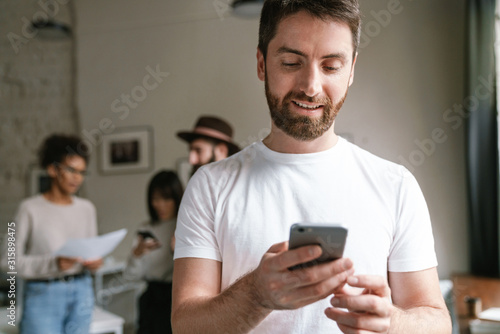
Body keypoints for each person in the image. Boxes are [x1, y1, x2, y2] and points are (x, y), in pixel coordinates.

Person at [171, 1, 452, 333]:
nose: (311, 86)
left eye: (331, 66)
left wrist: (393, 324)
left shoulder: (396, 186)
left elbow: (436, 321)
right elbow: (185, 325)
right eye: (291, 62)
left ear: (351, 71)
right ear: (262, 63)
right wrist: (257, 295)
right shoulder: (210, 185)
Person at [0, 134, 102, 334]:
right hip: (42, 295)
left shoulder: (87, 209)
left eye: (82, 172)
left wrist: (95, 263)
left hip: (82, 292)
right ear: (52, 169)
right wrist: (52, 263)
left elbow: (92, 251)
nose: (77, 178)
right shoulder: (28, 209)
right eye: (71, 170)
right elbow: (7, 260)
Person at [124, 170, 184, 334]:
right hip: (150, 299)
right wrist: (137, 254)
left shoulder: (184, 226)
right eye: (155, 199)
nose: (160, 205)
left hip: (176, 298)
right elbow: (130, 276)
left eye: (166, 198)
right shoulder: (146, 229)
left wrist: (177, 250)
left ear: (177, 198)